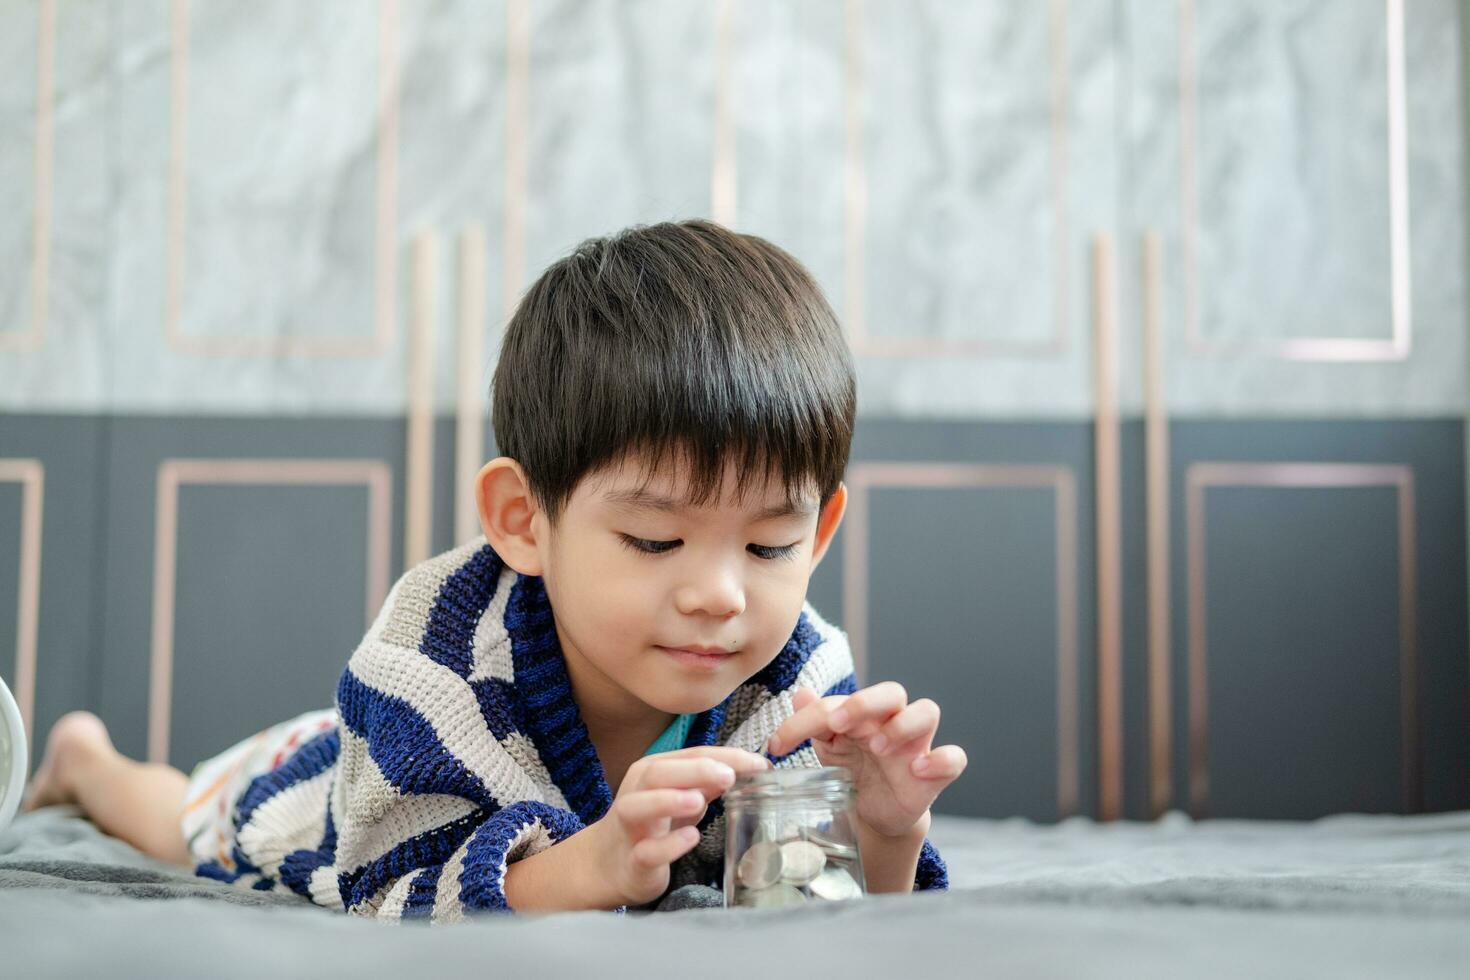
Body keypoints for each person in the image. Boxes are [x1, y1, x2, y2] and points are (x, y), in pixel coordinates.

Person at [22, 219, 969, 920]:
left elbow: (816, 899)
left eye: (769, 547)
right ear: (524, 520)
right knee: (181, 815)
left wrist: (885, 830)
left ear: (823, 528)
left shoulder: (804, 682)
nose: (720, 593)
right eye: (653, 540)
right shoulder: (425, 657)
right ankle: (86, 757)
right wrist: (596, 865)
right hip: (343, 786)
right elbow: (386, 887)